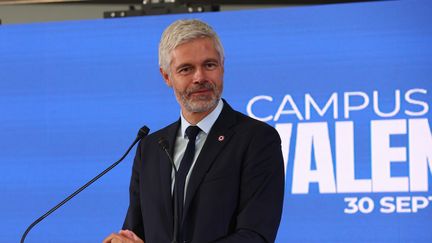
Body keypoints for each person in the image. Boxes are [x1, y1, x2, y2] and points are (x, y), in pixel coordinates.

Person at [103, 19, 284, 243]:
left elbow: (255, 236)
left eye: (209, 65)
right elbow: (136, 230)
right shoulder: (150, 148)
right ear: (166, 76)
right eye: (186, 69)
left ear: (222, 66)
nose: (200, 78)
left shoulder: (257, 139)